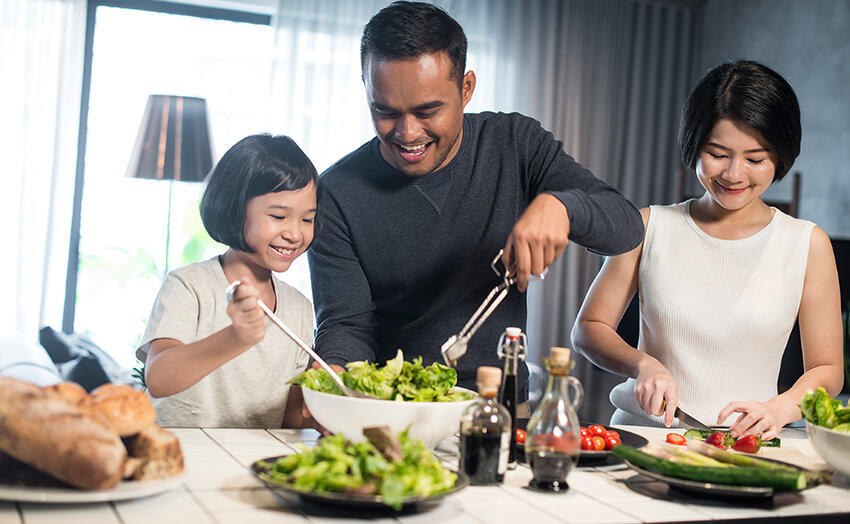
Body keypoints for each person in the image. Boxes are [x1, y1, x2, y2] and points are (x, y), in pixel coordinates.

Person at [308, 1, 644, 402]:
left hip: (497, 405)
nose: (407, 133)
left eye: (427, 110)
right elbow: (346, 324)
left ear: (466, 88)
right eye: (385, 111)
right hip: (392, 409)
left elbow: (625, 227)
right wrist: (338, 378)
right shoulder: (336, 192)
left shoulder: (514, 143)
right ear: (365, 87)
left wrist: (562, 207)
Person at [571, 60, 844, 440]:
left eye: (755, 159)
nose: (734, 174)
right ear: (693, 145)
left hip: (748, 446)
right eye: (718, 153)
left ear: (780, 156)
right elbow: (589, 328)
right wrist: (642, 365)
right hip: (646, 438)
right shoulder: (648, 226)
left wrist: (781, 408)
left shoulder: (807, 244)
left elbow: (827, 368)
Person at [137, 134, 319, 428]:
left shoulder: (298, 308)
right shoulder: (189, 286)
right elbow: (158, 378)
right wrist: (237, 337)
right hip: (182, 458)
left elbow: (291, 417)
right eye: (278, 216)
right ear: (234, 208)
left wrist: (331, 404)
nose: (295, 234)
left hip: (251, 464)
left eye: (307, 219)